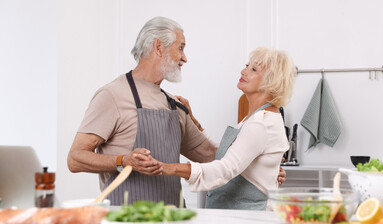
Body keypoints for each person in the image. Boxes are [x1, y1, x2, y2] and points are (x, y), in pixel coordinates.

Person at [67, 17, 286, 206]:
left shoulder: (175, 105)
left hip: (173, 221)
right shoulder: (112, 95)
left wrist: (261, 168)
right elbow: (75, 159)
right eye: (180, 47)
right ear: (159, 47)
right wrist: (123, 160)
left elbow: (212, 157)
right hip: (125, 221)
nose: (185, 57)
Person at [158, 47, 297, 210]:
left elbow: (224, 169)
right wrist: (193, 120)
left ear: (271, 81)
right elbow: (229, 153)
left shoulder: (260, 123)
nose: (243, 71)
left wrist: (170, 167)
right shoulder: (255, 118)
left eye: (253, 69)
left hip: (247, 217)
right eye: (247, 65)